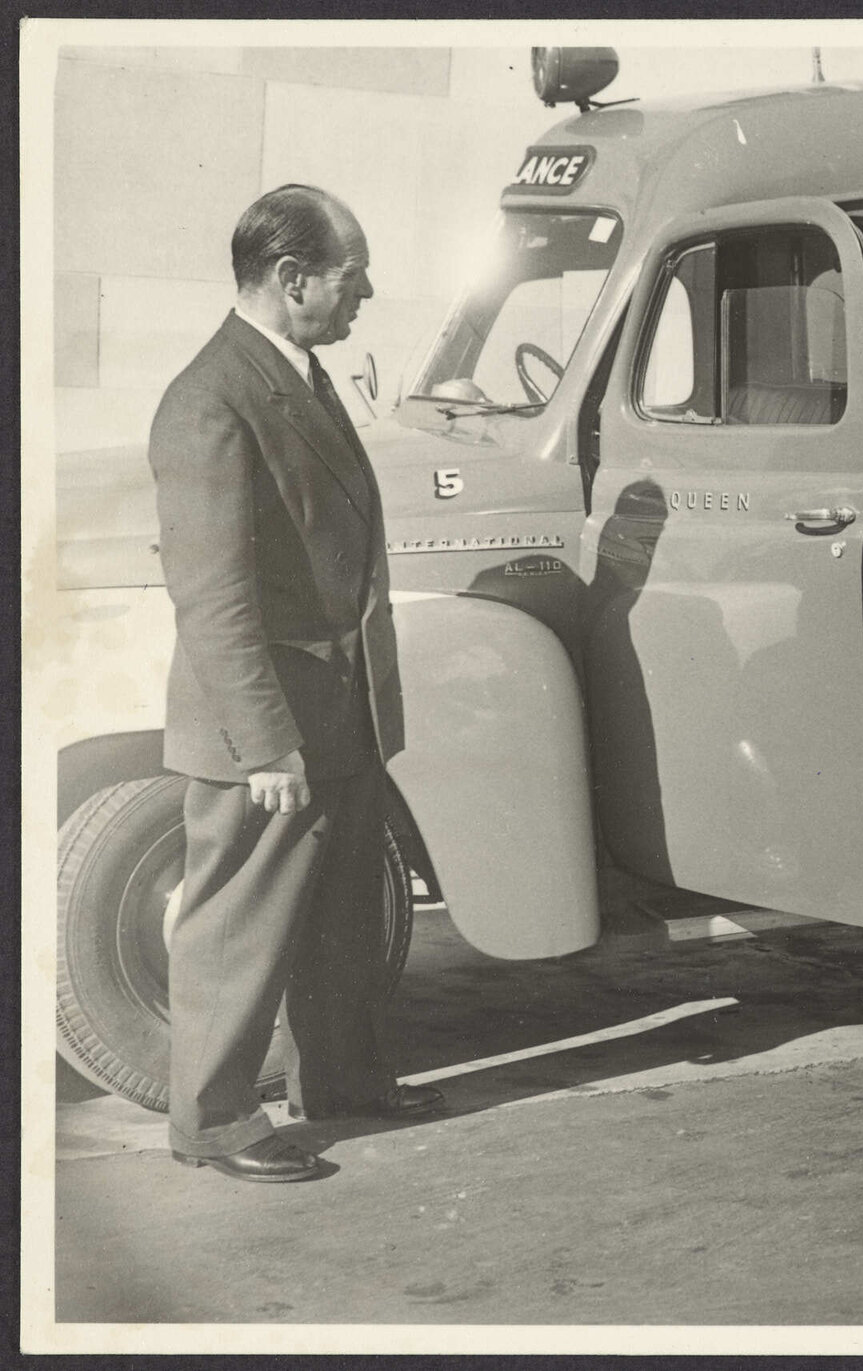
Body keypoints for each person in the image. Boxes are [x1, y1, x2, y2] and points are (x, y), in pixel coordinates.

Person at [150, 185, 442, 1182]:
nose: (365, 295)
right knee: (238, 922)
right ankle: (215, 1122)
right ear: (291, 279)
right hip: (273, 723)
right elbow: (213, 596)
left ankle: (343, 1080)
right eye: (351, 277)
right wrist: (265, 742)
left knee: (341, 913)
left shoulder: (296, 377)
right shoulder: (212, 399)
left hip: (340, 706)